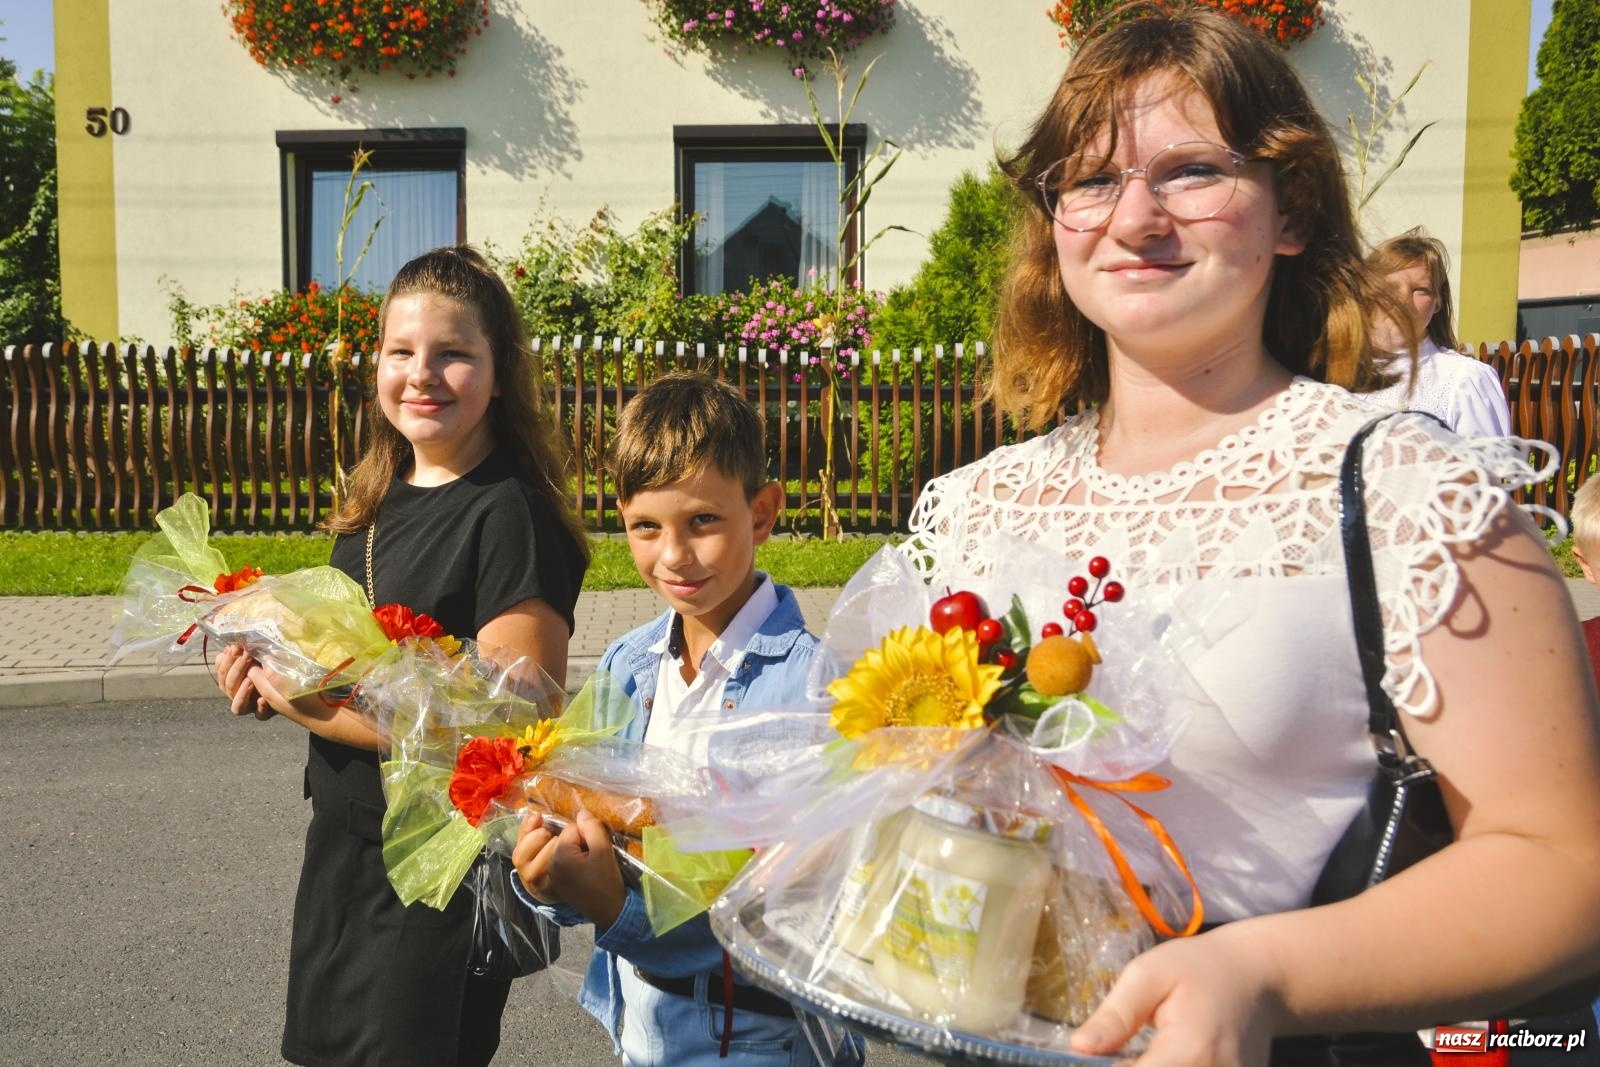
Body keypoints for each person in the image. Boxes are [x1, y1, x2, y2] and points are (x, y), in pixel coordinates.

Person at [902, 6, 1600, 1066]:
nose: (1134, 216)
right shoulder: (971, 505)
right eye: (1088, 181)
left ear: (1290, 212)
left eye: (1189, 171)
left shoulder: (1405, 486)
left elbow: (1563, 862)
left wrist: (1263, 973)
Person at [214, 245, 590, 1067]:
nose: (423, 374)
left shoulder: (509, 517)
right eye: (401, 351)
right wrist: (255, 666)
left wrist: (302, 697)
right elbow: (341, 664)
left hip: (437, 876)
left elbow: (505, 726)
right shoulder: (371, 506)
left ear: (499, 374)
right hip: (344, 853)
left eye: (454, 353)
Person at [509, 372, 863, 1067]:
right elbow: (581, 822)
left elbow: (789, 908)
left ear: (761, 512)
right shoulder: (626, 664)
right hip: (639, 1025)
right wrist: (547, 878)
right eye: (647, 525)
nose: (674, 555)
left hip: (760, 1034)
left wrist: (618, 909)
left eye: (703, 520)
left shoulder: (815, 687)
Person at [1359, 227, 1512, 436]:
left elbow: (1490, 466)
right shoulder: (1335, 375)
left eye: (1420, 290)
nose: (1402, 300)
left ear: (1437, 302)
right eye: (1389, 287)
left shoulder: (1464, 380)